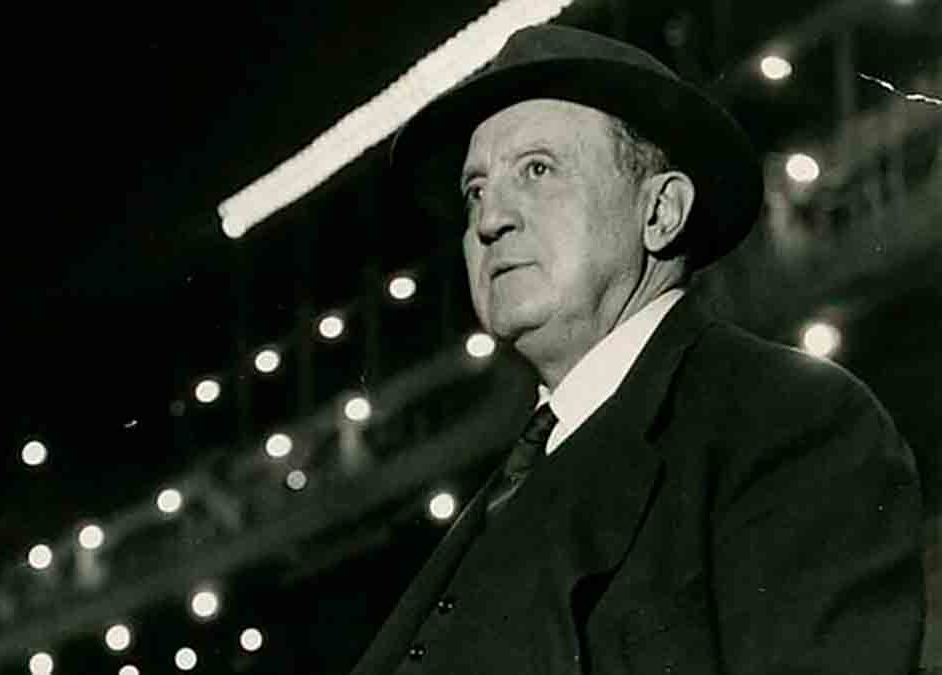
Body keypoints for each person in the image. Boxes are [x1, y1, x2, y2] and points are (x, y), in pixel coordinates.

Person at [351, 23, 924, 675]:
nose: (489, 219)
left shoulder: (790, 418)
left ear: (661, 212)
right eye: (474, 191)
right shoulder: (510, 481)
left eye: (537, 170)